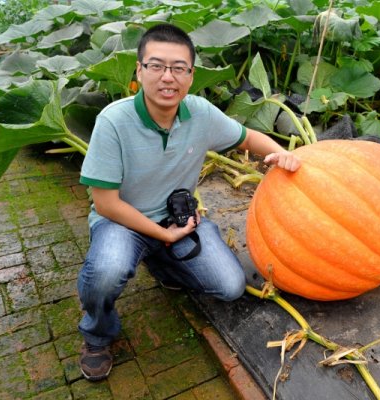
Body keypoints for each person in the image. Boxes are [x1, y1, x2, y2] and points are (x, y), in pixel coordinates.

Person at [76, 23, 301, 381]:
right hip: (122, 221)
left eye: (179, 68)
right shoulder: (114, 121)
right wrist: (161, 235)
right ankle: (97, 335)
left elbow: (247, 137)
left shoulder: (200, 113)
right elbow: (104, 203)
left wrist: (282, 155)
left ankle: (163, 265)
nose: (168, 77)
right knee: (105, 273)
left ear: (191, 75)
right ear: (139, 70)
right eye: (157, 66)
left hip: (178, 219)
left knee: (229, 286)